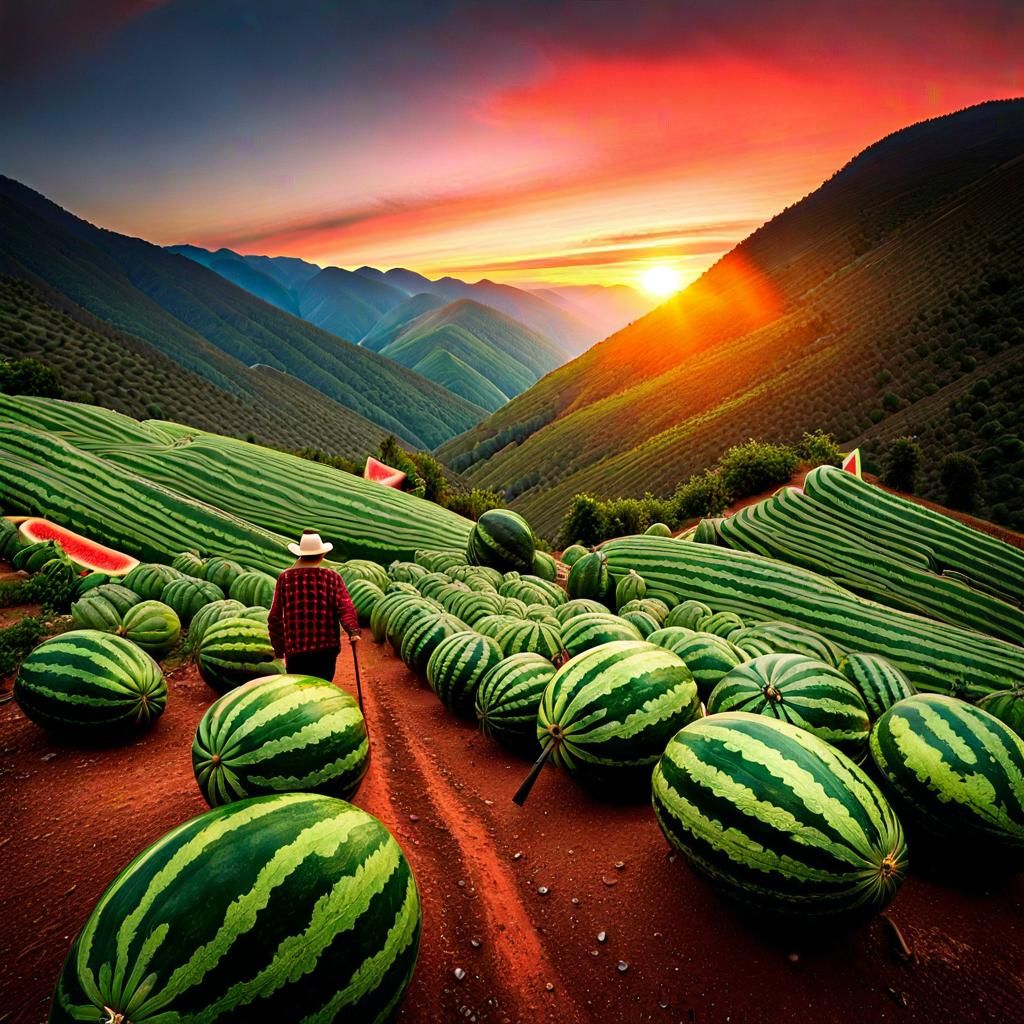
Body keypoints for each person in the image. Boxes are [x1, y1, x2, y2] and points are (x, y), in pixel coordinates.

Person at [267, 529, 360, 682]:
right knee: (323, 688)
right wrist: (353, 631)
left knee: (301, 692)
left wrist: (279, 648)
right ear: (322, 554)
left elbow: (275, 617)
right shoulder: (331, 577)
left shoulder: (284, 578)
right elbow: (345, 608)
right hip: (326, 650)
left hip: (295, 651)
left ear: (300, 554)